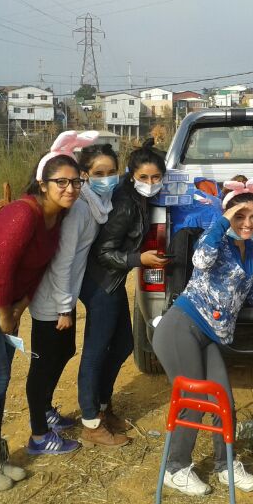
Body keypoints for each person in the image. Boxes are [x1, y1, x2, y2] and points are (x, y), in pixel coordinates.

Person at [151, 177, 253, 496]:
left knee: (223, 400)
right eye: (239, 215)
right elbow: (200, 260)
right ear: (227, 215)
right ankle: (175, 468)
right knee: (194, 400)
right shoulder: (215, 240)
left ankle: (225, 465)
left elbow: (251, 292)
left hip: (209, 336)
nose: (247, 223)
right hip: (182, 327)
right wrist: (223, 220)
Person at [0, 151, 82, 491]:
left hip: (2, 304)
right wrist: (6, 314)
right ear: (42, 184)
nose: (70, 189)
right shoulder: (24, 213)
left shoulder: (56, 218)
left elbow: (36, 269)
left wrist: (20, 306)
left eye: (76, 182)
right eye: (61, 182)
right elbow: (2, 271)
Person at [26, 142, 119, 455]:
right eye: (98, 173)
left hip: (63, 295)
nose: (106, 179)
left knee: (63, 353)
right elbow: (61, 263)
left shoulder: (91, 202)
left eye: (112, 172)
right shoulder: (80, 210)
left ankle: (45, 409)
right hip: (51, 299)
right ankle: (39, 434)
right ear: (85, 175)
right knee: (44, 363)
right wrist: (65, 308)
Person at [78, 138, 169, 447]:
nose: (150, 183)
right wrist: (137, 259)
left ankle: (103, 408)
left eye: (156, 177)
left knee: (123, 345)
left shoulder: (140, 200)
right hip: (101, 282)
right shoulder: (125, 203)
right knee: (95, 352)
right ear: (131, 175)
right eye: (143, 177)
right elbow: (105, 252)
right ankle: (91, 422)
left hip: (113, 281)